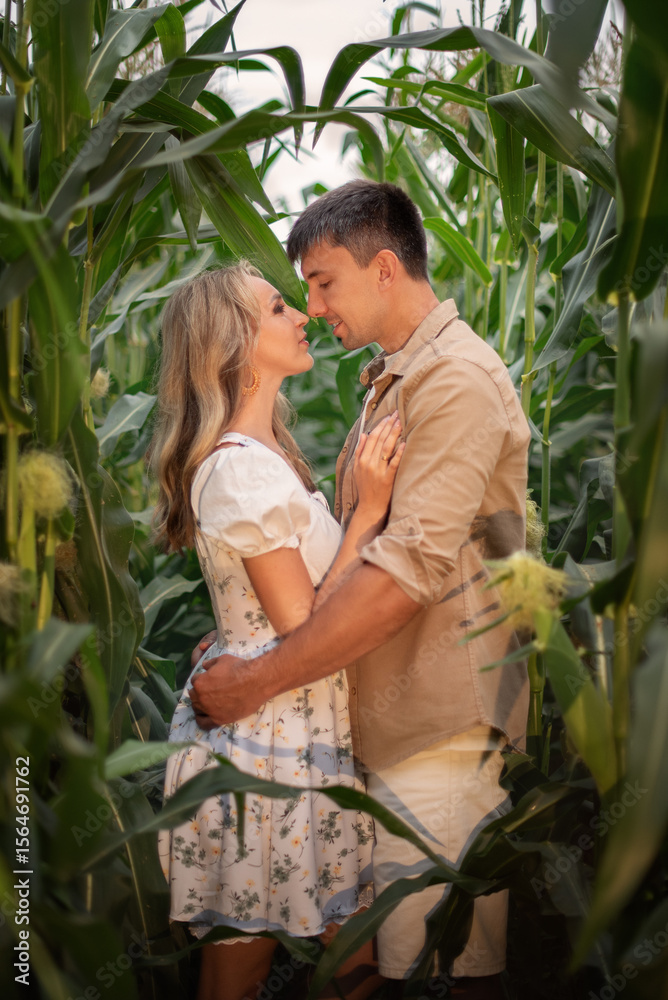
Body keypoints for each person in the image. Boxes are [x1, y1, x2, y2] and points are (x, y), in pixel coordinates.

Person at [190, 181, 531, 999]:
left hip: (440, 735)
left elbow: (401, 580)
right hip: (381, 737)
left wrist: (253, 677)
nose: (313, 306)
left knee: (440, 976)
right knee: (387, 968)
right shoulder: (395, 380)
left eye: (321, 283)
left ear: (384, 269)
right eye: (297, 294)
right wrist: (245, 640)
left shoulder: (453, 382)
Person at [151, 262, 404, 1000]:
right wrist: (369, 512)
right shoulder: (243, 473)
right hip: (268, 749)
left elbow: (266, 609)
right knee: (253, 963)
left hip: (299, 734)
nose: (301, 315)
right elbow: (306, 621)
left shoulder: (267, 462)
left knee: (349, 952)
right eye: (277, 307)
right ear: (233, 344)